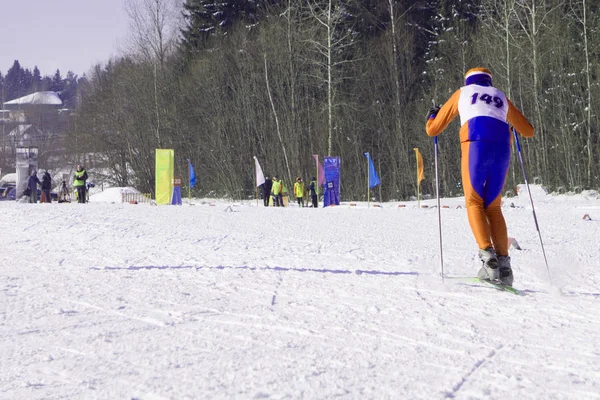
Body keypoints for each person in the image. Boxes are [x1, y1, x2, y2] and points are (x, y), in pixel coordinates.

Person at [425, 67, 534, 286]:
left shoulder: (462, 93)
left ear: (468, 80)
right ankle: (504, 267)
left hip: (475, 143)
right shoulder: (501, 97)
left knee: (474, 201)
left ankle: (489, 261)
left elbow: (433, 130)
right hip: (502, 147)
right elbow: (528, 131)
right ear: (489, 81)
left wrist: (431, 117)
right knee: (493, 207)